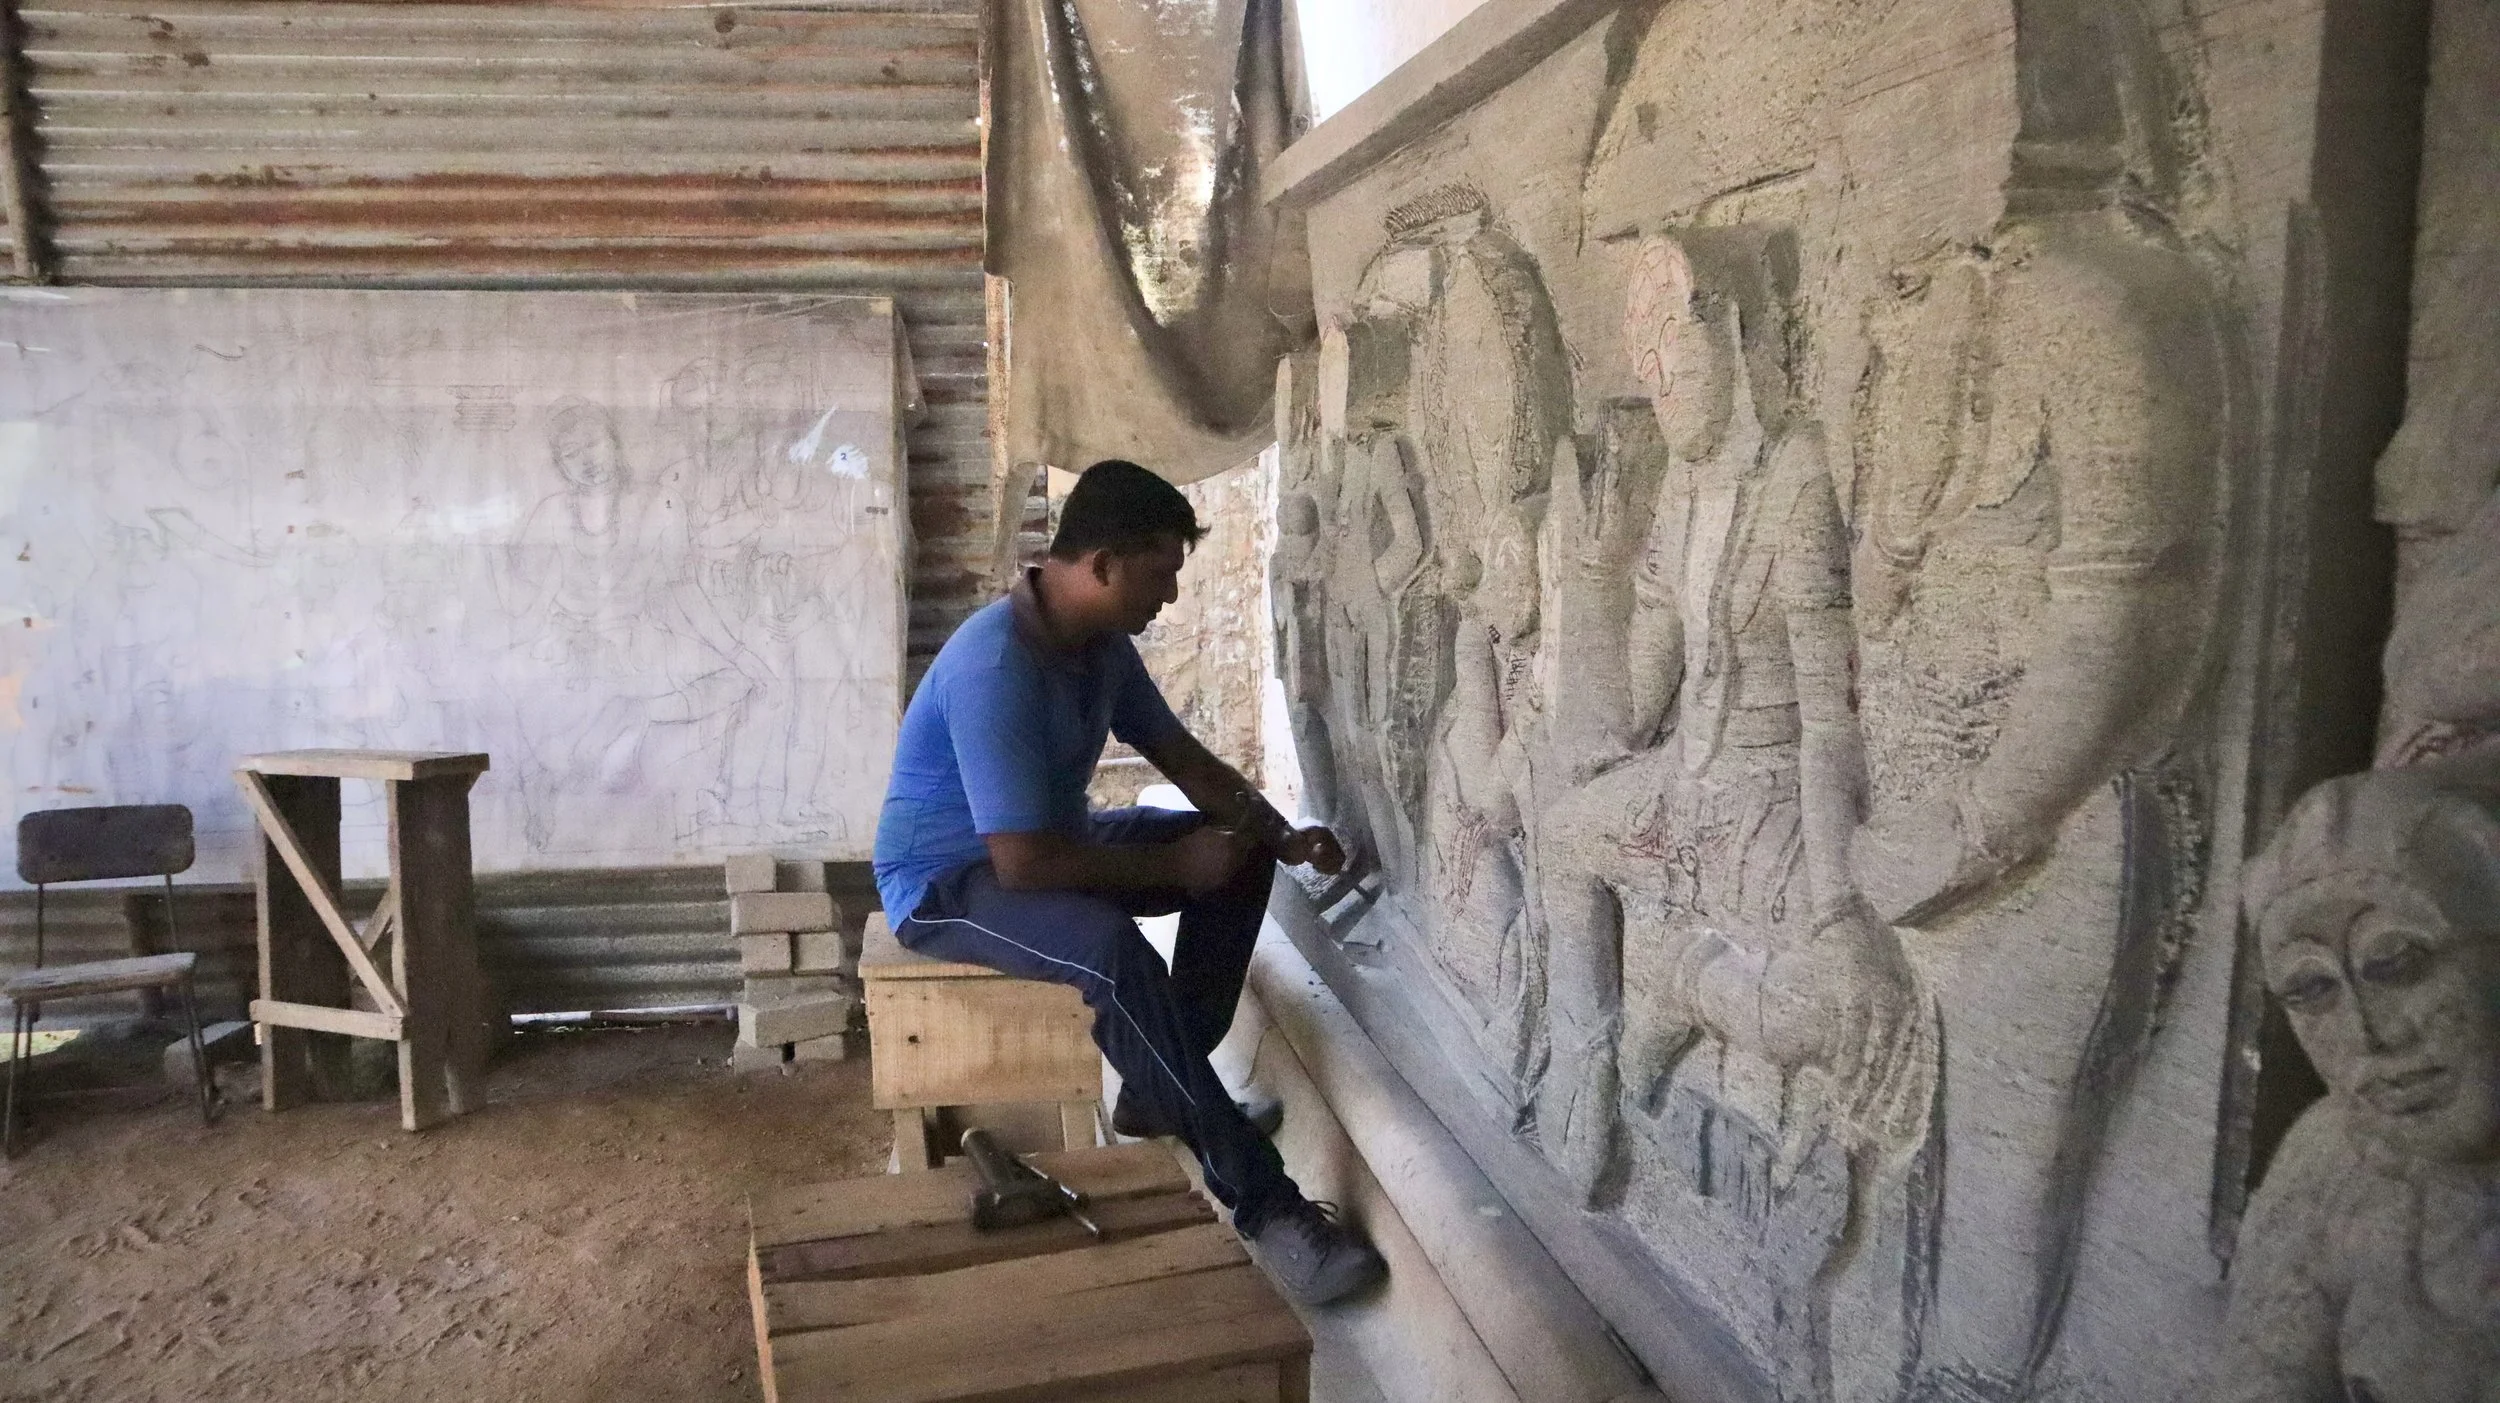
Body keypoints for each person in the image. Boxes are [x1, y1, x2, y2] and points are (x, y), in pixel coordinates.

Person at [871, 458, 1390, 1307]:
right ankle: (1268, 1205)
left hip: (1046, 844)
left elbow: (1184, 761)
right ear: (1100, 564)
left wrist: (1281, 835)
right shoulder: (992, 664)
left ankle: (1168, 1089)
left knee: (1237, 845)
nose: (1171, 600)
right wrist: (1174, 868)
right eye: (1160, 575)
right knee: (1111, 951)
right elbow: (1022, 867)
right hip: (948, 880)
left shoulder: (1101, 648)